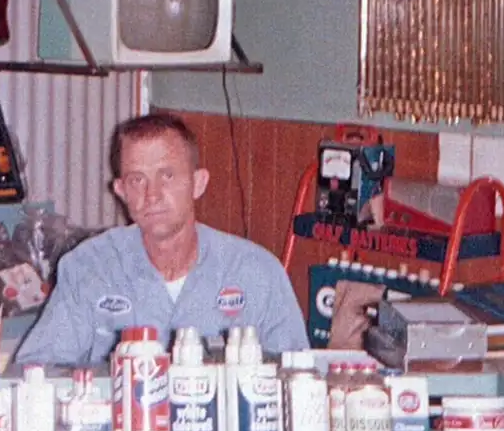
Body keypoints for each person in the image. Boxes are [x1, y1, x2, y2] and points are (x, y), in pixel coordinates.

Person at [16, 112, 309, 366]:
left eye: (166, 176)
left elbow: (296, 378)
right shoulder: (88, 268)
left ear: (198, 183)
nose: (152, 195)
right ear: (120, 191)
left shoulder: (257, 273)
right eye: (137, 180)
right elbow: (36, 372)